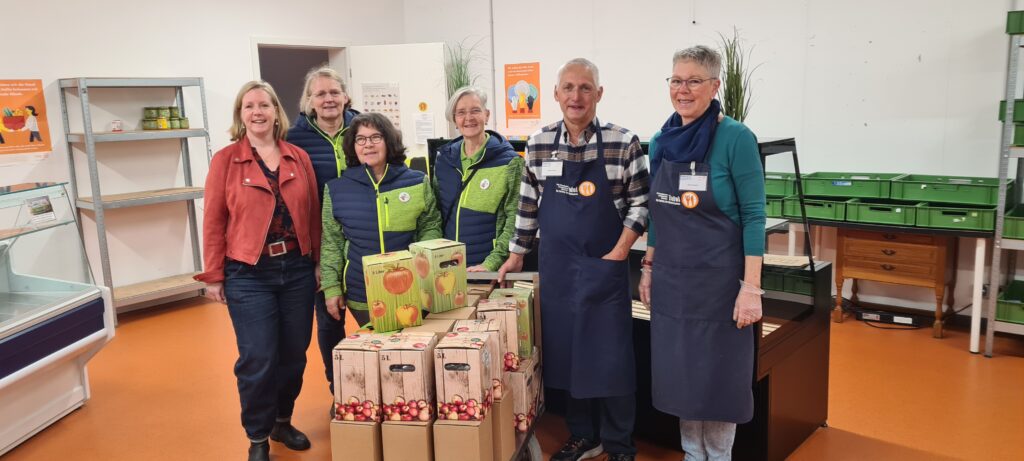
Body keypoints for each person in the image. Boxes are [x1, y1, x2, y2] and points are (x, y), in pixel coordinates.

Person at [498, 58, 649, 461]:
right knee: (567, 356)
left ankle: (619, 444)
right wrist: (516, 255)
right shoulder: (539, 143)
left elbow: (641, 203)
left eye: (585, 88)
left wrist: (619, 253)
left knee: (611, 359)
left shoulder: (623, 141)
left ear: (599, 94)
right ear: (555, 94)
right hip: (559, 270)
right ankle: (584, 436)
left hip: (605, 268)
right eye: (568, 87)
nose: (576, 96)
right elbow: (527, 205)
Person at [638, 45, 766, 461]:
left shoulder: (736, 139)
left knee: (719, 380)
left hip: (720, 285)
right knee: (683, 380)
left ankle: (720, 456)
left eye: (694, 81)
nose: (683, 89)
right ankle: (694, 455)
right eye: (676, 80)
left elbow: (754, 216)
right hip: (674, 284)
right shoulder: (660, 140)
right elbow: (657, 212)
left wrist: (751, 289)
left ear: (714, 86)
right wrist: (649, 266)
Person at [195, 81, 321, 461]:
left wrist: (315, 263)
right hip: (248, 273)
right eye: (249, 106)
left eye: (264, 104)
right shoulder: (226, 160)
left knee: (294, 355)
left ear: (275, 111)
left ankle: (283, 420)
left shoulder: (297, 157)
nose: (257, 112)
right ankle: (258, 437)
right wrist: (214, 274)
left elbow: (313, 213)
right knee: (258, 357)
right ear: (240, 115)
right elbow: (214, 220)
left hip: (297, 270)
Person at [321, 112, 442, 327]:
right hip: (362, 293)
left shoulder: (417, 182)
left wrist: (423, 268)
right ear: (353, 146)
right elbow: (332, 242)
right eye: (361, 139)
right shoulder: (336, 189)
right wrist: (331, 287)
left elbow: (430, 227)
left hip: (412, 287)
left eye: (376, 137)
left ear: (389, 141)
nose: (368, 145)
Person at [285, 65, 360, 412]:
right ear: (309, 102)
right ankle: (341, 393)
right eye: (320, 94)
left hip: (366, 241)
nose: (328, 99)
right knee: (330, 322)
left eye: (334, 92)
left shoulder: (365, 129)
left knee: (379, 316)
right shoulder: (293, 140)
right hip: (321, 248)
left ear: (345, 96)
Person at [433, 86, 524, 272]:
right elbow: (435, 215)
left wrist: (491, 264)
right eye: (461, 113)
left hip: (487, 269)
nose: (469, 118)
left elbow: (514, 219)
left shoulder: (510, 162)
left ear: (487, 115)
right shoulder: (444, 160)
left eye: (475, 110)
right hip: (447, 268)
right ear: (455, 120)